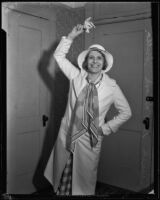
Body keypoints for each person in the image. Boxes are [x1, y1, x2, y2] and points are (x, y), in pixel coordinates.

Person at [44, 20, 132, 195]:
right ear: (86, 61)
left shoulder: (112, 86)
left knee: (84, 182)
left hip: (90, 139)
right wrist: (71, 36)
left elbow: (126, 112)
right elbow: (58, 57)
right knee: (63, 175)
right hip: (68, 134)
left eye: (99, 58)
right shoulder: (76, 76)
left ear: (104, 63)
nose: (95, 61)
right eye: (91, 57)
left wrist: (105, 129)